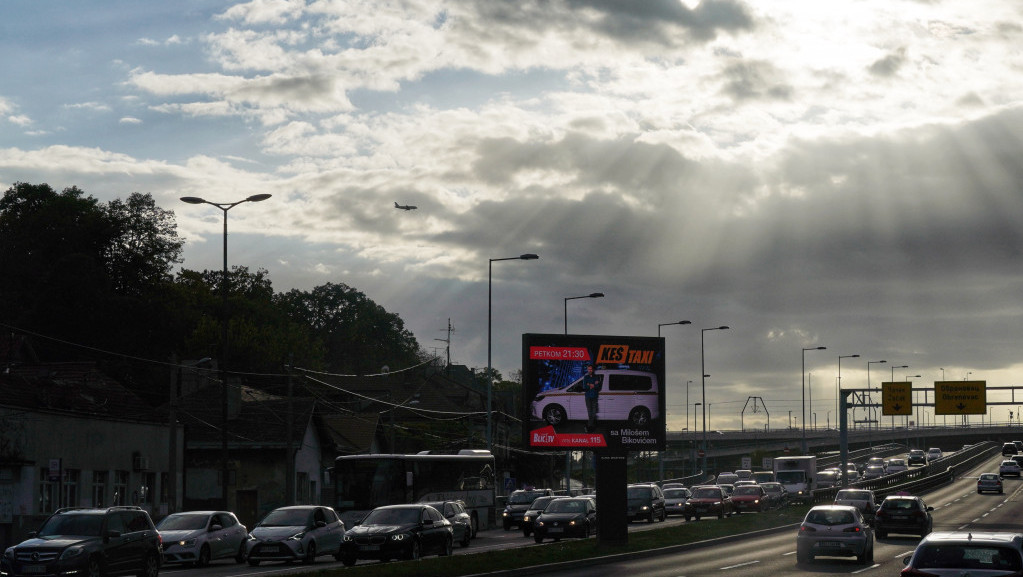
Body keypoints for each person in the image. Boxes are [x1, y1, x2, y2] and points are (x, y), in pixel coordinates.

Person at [583, 364, 601, 432]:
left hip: (594, 396)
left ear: (593, 370)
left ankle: (589, 425)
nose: (590, 370)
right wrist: (593, 384)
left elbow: (597, 387)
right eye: (589, 369)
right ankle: (591, 425)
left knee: (593, 412)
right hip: (588, 397)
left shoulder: (596, 377)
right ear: (587, 370)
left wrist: (589, 384)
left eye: (591, 369)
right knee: (589, 411)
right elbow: (585, 387)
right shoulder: (586, 377)